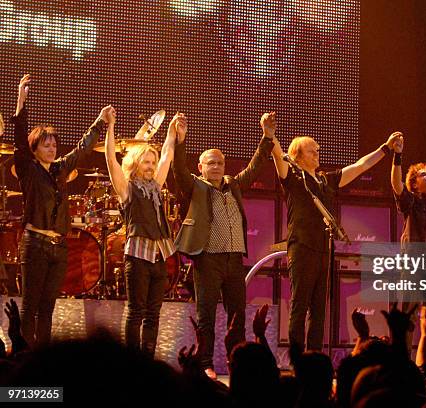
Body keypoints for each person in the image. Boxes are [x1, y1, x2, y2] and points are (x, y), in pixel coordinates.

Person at [267, 114, 402, 352]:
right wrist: (270, 134)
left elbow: (360, 166)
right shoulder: (293, 178)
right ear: (297, 156)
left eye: (317, 149)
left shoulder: (326, 181)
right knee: (300, 306)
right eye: (311, 150)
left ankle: (315, 358)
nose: (317, 153)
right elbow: (278, 156)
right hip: (301, 247)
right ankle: (298, 360)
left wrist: (385, 149)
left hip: (323, 249)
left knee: (319, 310)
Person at [11, 74, 112, 347]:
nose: (52, 148)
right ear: (35, 149)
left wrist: (100, 121)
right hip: (35, 244)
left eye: (54, 144)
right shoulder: (27, 169)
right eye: (46, 144)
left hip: (58, 246)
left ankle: (41, 359)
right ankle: (25, 359)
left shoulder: (60, 169)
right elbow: (20, 139)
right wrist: (21, 99)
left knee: (48, 308)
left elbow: (81, 149)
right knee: (30, 307)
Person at [172, 112, 275, 379]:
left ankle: (237, 364)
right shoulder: (195, 186)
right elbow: (178, 170)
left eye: (220, 163)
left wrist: (266, 138)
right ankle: (205, 364)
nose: (216, 167)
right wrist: (180, 140)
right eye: (211, 163)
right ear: (201, 167)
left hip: (234, 260)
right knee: (206, 317)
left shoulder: (233, 185)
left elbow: (254, 167)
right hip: (208, 260)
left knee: (237, 317)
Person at [104, 107, 184, 357]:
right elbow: (110, 161)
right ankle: (131, 361)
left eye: (152, 162)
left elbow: (167, 157)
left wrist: (172, 132)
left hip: (159, 256)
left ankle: (147, 359)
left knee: (153, 313)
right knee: (136, 311)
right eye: (146, 162)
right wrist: (110, 127)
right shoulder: (127, 189)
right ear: (136, 164)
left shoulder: (156, 187)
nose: (151, 166)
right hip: (137, 256)